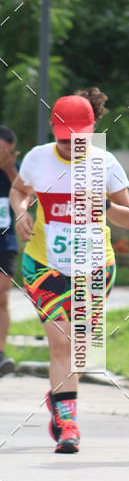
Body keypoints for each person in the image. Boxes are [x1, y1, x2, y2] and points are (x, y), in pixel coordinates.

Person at [10, 90, 129, 454]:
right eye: (65, 141)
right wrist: (21, 210)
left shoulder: (105, 163)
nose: (73, 146)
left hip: (95, 267)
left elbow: (128, 218)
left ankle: (60, 399)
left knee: (79, 348)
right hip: (45, 265)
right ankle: (68, 424)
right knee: (61, 342)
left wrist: (105, 204)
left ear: (92, 130)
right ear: (54, 132)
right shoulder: (37, 158)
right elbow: (19, 191)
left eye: (80, 139)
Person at [0, 126, 20, 375]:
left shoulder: (15, 170)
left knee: (2, 297)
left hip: (5, 243)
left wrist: (8, 167)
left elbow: (27, 195)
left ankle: (0, 354)